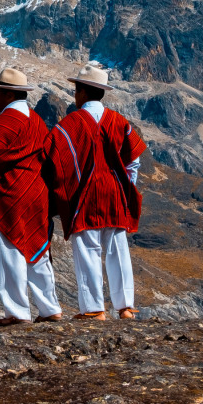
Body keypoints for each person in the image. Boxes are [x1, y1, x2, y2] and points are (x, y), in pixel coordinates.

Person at [48, 62, 146, 320]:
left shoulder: (67, 125)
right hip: (114, 192)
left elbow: (57, 164)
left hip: (84, 195)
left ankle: (93, 309)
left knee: (88, 251)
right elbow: (133, 160)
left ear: (81, 92)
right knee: (117, 249)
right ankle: (125, 307)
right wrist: (126, 186)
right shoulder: (119, 121)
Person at [0, 67, 62, 325]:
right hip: (37, 193)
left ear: (9, 95)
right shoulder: (36, 121)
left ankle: (17, 312)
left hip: (10, 195)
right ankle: (50, 308)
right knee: (38, 249)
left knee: (11, 251)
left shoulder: (3, 124)